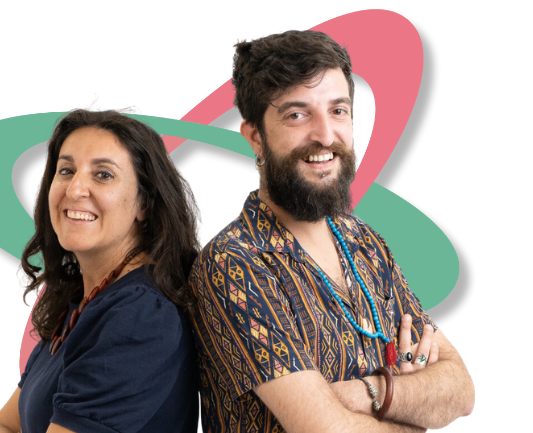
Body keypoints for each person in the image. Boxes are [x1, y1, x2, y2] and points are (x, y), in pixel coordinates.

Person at [189, 31, 474, 433]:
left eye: (338, 110)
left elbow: (460, 389)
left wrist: (369, 392)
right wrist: (413, 411)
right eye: (297, 115)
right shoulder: (234, 264)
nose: (325, 135)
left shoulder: (365, 243)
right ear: (255, 137)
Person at [0, 109, 200, 433]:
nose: (75, 189)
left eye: (103, 175)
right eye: (66, 170)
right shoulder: (80, 306)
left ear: (144, 203)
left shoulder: (141, 314)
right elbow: (4, 425)